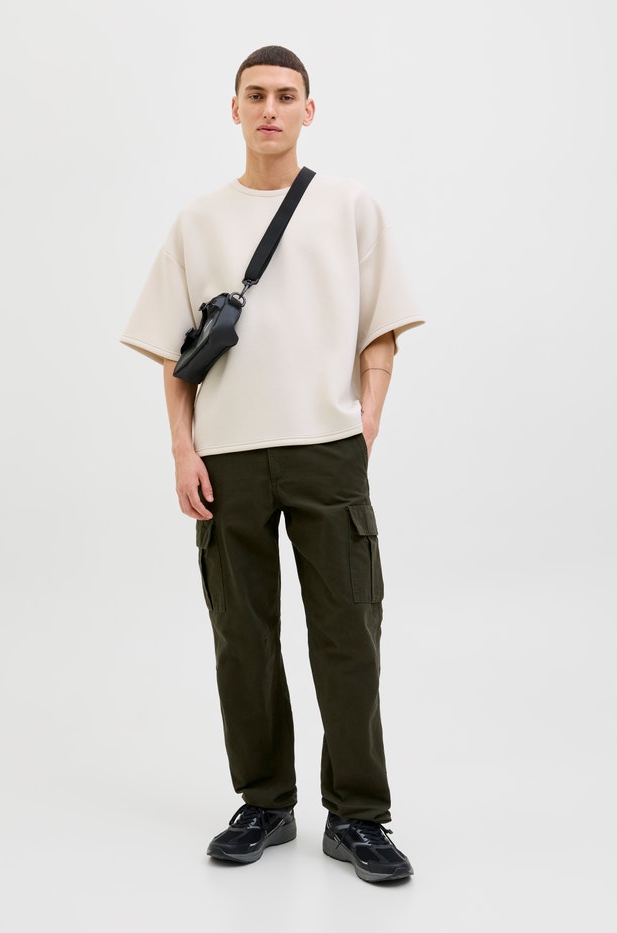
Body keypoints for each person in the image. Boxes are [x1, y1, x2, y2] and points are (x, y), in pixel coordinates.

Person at [120, 45, 424, 883]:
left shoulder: (349, 206)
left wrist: (365, 425)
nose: (270, 109)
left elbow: (381, 328)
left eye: (286, 96)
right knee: (242, 635)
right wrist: (182, 448)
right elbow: (176, 353)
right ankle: (265, 801)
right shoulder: (198, 221)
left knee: (349, 630)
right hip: (228, 456)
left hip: (327, 450)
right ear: (234, 108)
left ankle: (358, 815)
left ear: (308, 110)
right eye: (255, 95)